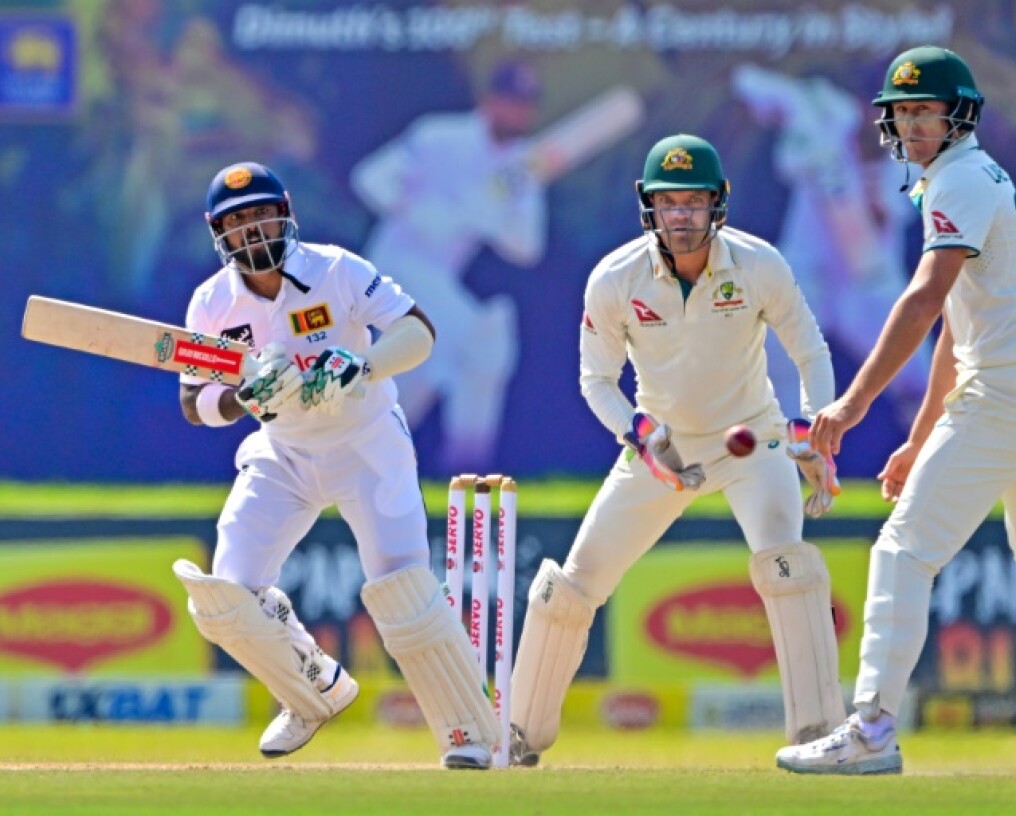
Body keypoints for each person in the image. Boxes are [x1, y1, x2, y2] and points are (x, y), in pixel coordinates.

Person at [774, 46, 1016, 776]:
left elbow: (922, 297)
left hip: (1009, 393)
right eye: (903, 112)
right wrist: (917, 441)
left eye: (926, 110)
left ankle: (872, 732)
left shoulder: (959, 178)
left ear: (959, 116)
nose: (913, 125)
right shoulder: (968, 179)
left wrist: (851, 405)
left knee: (901, 550)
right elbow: (953, 325)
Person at [507, 134, 845, 766]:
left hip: (752, 438)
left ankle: (821, 735)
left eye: (694, 201)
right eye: (670, 203)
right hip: (660, 449)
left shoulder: (759, 263)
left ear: (718, 203)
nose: (682, 216)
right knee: (572, 587)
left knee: (787, 567)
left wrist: (810, 434)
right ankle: (520, 734)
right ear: (649, 208)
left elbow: (810, 350)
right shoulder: (615, 279)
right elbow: (596, 380)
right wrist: (640, 434)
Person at [174, 161, 500, 770]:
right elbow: (195, 402)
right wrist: (244, 397)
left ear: (285, 211)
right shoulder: (212, 302)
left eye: (261, 213)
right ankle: (313, 690)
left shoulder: (336, 269)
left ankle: (470, 732)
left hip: (366, 444)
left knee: (403, 587)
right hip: (283, 454)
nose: (252, 230)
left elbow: (418, 331)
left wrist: (361, 367)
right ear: (219, 234)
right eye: (236, 222)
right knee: (224, 596)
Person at [349, 59, 547, 473]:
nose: (519, 113)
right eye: (512, 102)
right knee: (484, 343)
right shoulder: (438, 136)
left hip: (437, 283)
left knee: (411, 388)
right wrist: (414, 209)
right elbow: (369, 178)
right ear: (491, 100)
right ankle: (465, 467)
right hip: (393, 271)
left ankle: (453, 468)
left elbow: (528, 246)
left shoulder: (521, 166)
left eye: (527, 104)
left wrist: (488, 221)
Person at [732, 63, 927, 428]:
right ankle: (788, 463)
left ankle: (933, 468)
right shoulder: (822, 115)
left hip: (868, 283)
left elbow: (879, 221)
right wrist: (785, 115)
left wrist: (851, 184)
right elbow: (748, 82)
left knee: (919, 381)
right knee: (780, 369)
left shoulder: (912, 161)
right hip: (806, 275)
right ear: (862, 105)